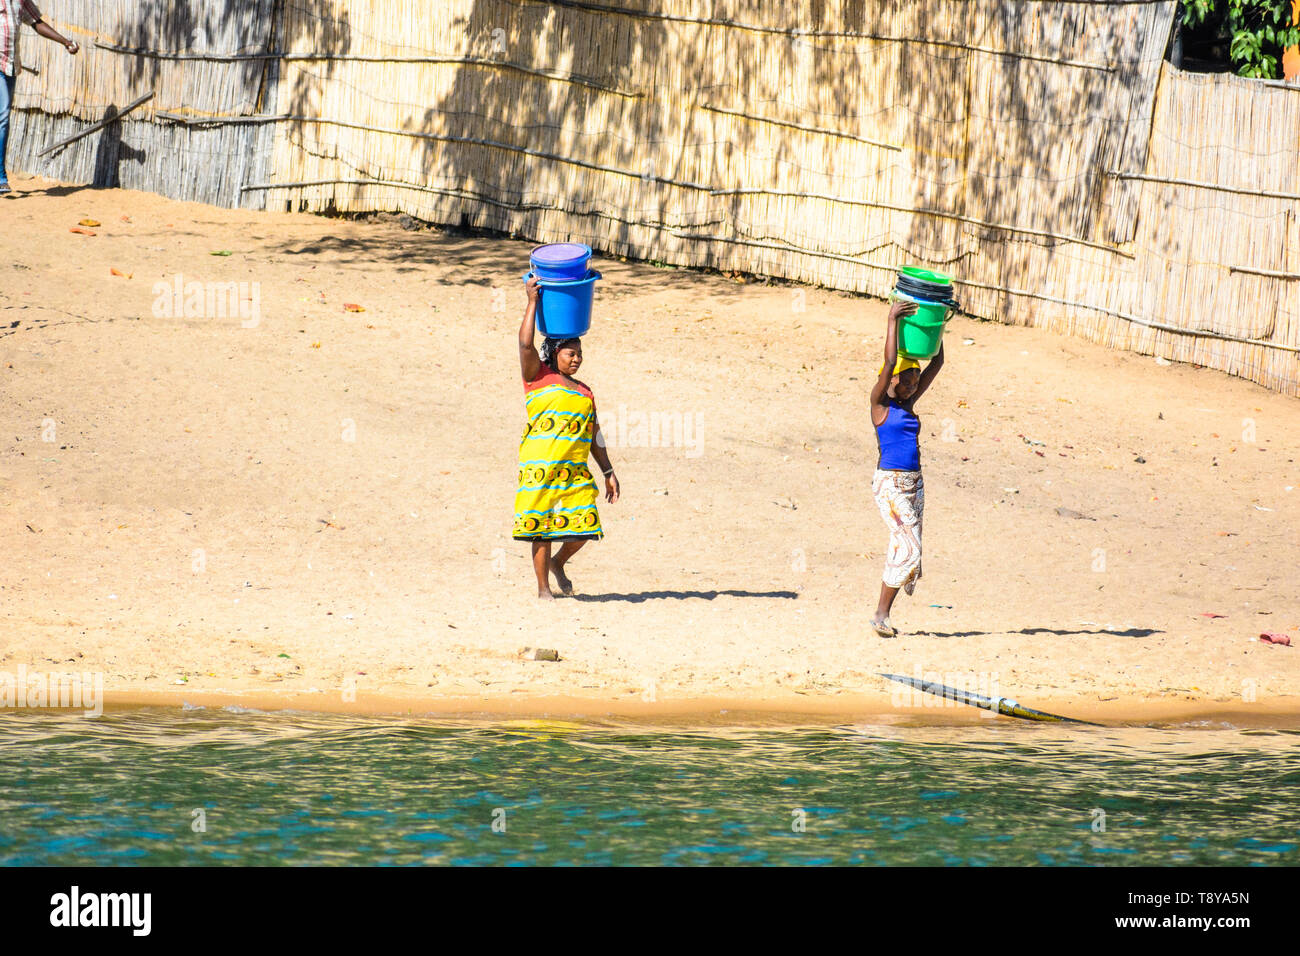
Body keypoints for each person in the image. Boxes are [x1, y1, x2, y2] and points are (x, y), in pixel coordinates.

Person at [514, 275, 619, 600]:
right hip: (540, 469)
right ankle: (543, 588)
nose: (576, 358)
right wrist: (532, 302)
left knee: (586, 525)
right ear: (554, 354)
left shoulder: (585, 392)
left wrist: (608, 471)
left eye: (579, 354)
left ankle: (559, 563)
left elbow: (594, 434)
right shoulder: (538, 377)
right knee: (541, 527)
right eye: (570, 353)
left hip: (574, 470)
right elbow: (525, 345)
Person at [868, 299, 945, 637]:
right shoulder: (879, 405)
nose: (912, 386)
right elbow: (888, 361)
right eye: (906, 380)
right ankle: (880, 616)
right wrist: (892, 321)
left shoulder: (909, 404)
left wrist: (939, 321)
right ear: (890, 381)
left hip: (915, 484)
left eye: (915, 381)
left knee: (908, 548)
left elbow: (938, 361)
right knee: (910, 548)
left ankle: (884, 614)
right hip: (891, 485)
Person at [1, 0, 79, 194]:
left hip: (10, 65)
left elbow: (36, 22)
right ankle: (1, 177)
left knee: (4, 119)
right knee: (2, 117)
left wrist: (65, 42)